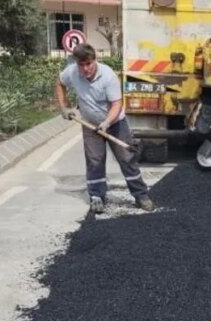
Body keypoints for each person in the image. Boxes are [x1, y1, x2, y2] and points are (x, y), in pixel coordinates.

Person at [56, 43, 154, 213]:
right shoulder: (72, 72)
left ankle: (141, 195)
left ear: (95, 60)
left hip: (115, 123)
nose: (85, 68)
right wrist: (64, 107)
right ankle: (96, 196)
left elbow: (116, 104)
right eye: (81, 65)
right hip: (90, 123)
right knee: (95, 161)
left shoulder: (108, 76)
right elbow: (59, 82)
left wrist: (107, 122)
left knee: (126, 158)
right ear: (76, 63)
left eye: (88, 64)